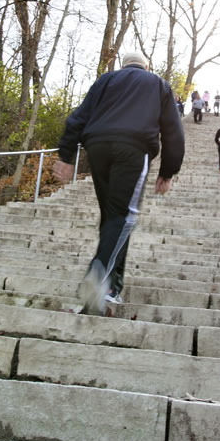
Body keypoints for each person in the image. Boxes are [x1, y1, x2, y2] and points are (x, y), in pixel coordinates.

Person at [53, 51, 184, 315]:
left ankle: (112, 288)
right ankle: (98, 275)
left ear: (123, 66)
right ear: (146, 66)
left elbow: (77, 117)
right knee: (124, 217)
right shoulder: (157, 83)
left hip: (97, 148)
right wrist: (168, 171)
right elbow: (173, 130)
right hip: (133, 150)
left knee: (113, 217)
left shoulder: (105, 80)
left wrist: (67, 156)